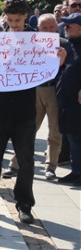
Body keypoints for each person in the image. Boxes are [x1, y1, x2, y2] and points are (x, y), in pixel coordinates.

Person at [0, 0, 53, 224]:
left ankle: (25, 204)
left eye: (18, 20)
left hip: (24, 111)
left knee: (26, 161)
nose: (14, 24)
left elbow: (47, 73)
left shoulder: (37, 42)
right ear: (5, 17)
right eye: (10, 20)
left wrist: (56, 62)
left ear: (26, 16)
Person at [4, 14, 64, 180]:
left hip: (54, 91)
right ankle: (15, 164)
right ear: (38, 28)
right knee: (27, 129)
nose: (49, 31)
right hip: (34, 90)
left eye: (52, 27)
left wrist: (62, 60)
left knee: (55, 132)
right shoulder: (30, 43)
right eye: (45, 28)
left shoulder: (64, 45)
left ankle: (50, 167)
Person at [56, 12, 81, 186]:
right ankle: (76, 170)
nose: (65, 28)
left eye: (69, 26)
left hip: (77, 102)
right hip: (67, 100)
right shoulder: (68, 45)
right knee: (72, 136)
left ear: (79, 28)